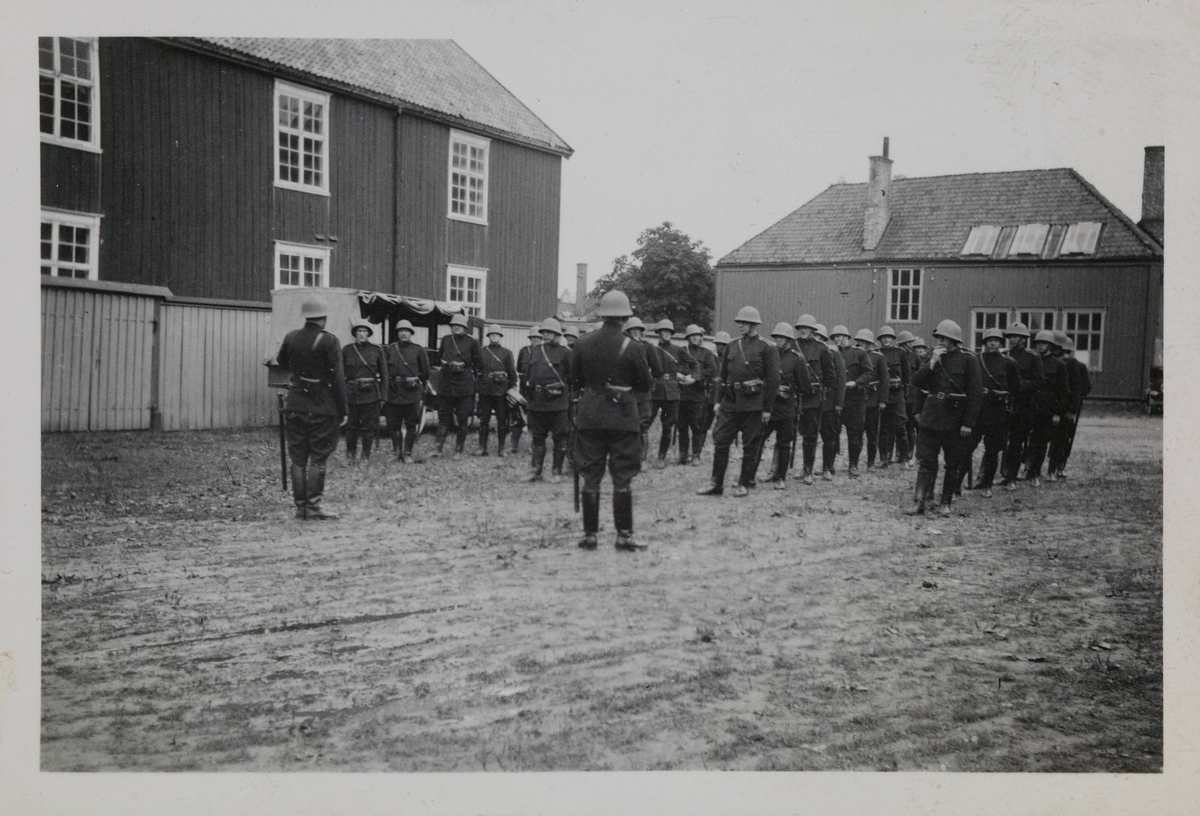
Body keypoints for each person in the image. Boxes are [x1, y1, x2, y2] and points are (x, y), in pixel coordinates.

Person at [569, 290, 654, 551]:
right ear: (625, 316)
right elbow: (645, 384)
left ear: (602, 314)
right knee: (622, 479)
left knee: (591, 477)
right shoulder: (635, 347)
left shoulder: (582, 344)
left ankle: (590, 536)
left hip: (590, 417)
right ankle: (624, 536)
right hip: (623, 418)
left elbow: (573, 381)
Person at [276, 295, 347, 520]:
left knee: (298, 458)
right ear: (323, 318)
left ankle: (300, 507)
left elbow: (282, 362)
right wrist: (343, 409)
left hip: (295, 403)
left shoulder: (291, 337)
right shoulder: (329, 341)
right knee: (318, 457)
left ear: (305, 317)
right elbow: (338, 379)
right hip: (322, 407)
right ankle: (313, 506)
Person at [697, 306, 780, 498]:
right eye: (739, 322)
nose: (740, 325)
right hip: (730, 403)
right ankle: (716, 483)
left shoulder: (767, 348)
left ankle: (745, 483)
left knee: (750, 445)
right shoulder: (732, 346)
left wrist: (767, 408)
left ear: (753, 324)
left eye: (744, 322)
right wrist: (718, 401)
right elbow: (722, 376)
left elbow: (773, 381)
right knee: (720, 441)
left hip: (753, 404)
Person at [907, 319, 983, 516]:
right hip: (931, 417)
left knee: (953, 463)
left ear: (954, 340)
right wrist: (931, 363)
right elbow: (915, 382)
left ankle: (945, 503)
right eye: (938, 337)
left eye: (944, 338)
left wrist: (968, 423)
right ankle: (919, 502)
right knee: (926, 462)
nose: (940, 341)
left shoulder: (968, 360)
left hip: (954, 419)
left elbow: (975, 394)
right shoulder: (932, 357)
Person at [961, 327, 1020, 497]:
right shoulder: (976, 360)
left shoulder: (1008, 363)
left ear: (1001, 343)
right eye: (989, 340)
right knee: (966, 448)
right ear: (985, 343)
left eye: (996, 340)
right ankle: (957, 484)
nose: (993, 343)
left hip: (997, 413)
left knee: (992, 451)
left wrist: (1003, 394)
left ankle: (987, 485)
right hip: (978, 412)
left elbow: (1015, 389)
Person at [760, 322, 813, 488]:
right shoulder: (769, 354)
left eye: (782, 337)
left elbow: (805, 386)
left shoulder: (797, 359)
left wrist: (791, 391)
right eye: (776, 337)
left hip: (786, 408)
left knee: (784, 444)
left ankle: (780, 477)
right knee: (757, 439)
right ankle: (759, 474)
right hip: (769, 406)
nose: (778, 340)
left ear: (789, 339)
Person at [523, 318, 573, 481]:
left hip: (558, 403)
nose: (545, 334)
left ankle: (556, 472)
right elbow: (528, 376)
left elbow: (573, 378)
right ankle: (535, 471)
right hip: (537, 403)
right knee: (537, 437)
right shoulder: (535, 351)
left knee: (560, 438)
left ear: (557, 334)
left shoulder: (566, 353)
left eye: (549, 332)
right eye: (543, 332)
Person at [793, 314, 838, 485]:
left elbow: (830, 375)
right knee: (797, 432)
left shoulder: (821, 348)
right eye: (801, 327)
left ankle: (808, 470)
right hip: (795, 397)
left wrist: (821, 393)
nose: (803, 330)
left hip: (813, 398)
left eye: (807, 328)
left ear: (813, 330)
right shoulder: (792, 345)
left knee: (811, 435)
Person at [999, 322, 1043, 489]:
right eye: (1010, 337)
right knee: (1003, 441)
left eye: (1016, 337)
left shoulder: (1033, 357)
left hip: (1023, 404)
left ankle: (1012, 477)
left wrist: (1019, 386)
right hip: (1004, 403)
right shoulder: (1003, 356)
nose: (1012, 340)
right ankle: (1004, 474)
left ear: (1024, 339)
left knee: (1017, 441)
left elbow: (1039, 381)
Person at [649, 319, 698, 467]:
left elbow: (694, 364)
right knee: (645, 424)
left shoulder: (678, 350)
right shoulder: (652, 349)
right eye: (664, 331)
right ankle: (640, 459)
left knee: (667, 425)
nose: (667, 334)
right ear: (658, 333)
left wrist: (692, 378)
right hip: (655, 390)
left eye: (669, 331)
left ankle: (661, 458)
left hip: (672, 392)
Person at [1022, 329, 1067, 487]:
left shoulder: (1059, 365)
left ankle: (1035, 473)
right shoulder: (1030, 361)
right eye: (1038, 343)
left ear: (1051, 346)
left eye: (1044, 343)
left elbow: (1062, 392)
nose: (1041, 346)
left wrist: (1057, 413)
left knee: (1041, 442)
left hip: (1046, 409)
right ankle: (1025, 469)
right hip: (1029, 406)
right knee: (1026, 440)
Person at [434, 313, 483, 457]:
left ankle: (458, 450)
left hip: (464, 386)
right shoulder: (446, 340)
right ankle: (437, 449)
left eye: (459, 325)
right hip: (446, 384)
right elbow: (440, 357)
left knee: (462, 418)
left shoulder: (472, 342)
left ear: (465, 327)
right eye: (454, 325)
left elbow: (479, 363)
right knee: (443, 417)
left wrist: (465, 368)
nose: (456, 327)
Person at [383, 319, 430, 463]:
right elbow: (385, 370)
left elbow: (425, 372)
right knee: (393, 424)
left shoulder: (418, 350)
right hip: (393, 391)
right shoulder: (390, 349)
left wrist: (414, 382)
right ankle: (396, 452)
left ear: (411, 333)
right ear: (397, 333)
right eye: (400, 331)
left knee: (411, 423)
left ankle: (408, 453)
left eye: (406, 331)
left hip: (411, 392)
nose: (403, 333)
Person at [341, 319, 388, 462]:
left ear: (368, 333)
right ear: (355, 333)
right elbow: (340, 373)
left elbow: (385, 375)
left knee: (368, 427)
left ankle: (365, 456)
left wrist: (383, 397)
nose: (361, 334)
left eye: (364, 331)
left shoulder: (377, 350)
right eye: (359, 331)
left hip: (370, 395)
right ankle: (350, 455)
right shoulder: (347, 350)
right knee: (351, 426)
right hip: (352, 394)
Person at [832, 325, 874, 478]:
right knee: (832, 433)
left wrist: (856, 383)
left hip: (855, 400)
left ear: (847, 337)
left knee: (854, 434)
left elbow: (869, 373)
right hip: (837, 400)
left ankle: (853, 465)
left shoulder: (860, 354)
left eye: (839, 336)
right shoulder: (832, 354)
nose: (836, 339)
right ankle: (829, 466)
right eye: (834, 337)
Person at [623, 316, 662, 461]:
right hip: (627, 392)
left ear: (641, 331)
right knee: (626, 425)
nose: (634, 332)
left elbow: (658, 369)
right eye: (631, 330)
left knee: (643, 425)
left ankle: (642, 460)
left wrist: (648, 380)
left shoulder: (648, 347)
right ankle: (627, 456)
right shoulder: (623, 347)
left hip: (643, 393)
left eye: (637, 330)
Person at [679, 324, 718, 465]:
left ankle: (696, 455)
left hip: (698, 395)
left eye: (699, 335)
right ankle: (683, 455)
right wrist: (682, 376)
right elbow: (675, 366)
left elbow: (711, 371)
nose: (697, 338)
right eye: (694, 335)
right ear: (688, 337)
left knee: (697, 426)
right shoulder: (681, 351)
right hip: (682, 394)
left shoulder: (707, 354)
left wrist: (695, 377)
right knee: (681, 426)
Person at [1053, 334, 1092, 478]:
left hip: (1068, 408)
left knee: (1064, 438)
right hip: (1053, 406)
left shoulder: (1078, 365)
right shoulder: (1049, 362)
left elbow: (1085, 387)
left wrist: (1072, 405)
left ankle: (1060, 466)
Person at [1044, 330, 1080, 483]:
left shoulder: (1072, 364)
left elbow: (1079, 389)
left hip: (1064, 409)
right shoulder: (1046, 361)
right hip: (1047, 407)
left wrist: (1072, 410)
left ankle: (1054, 468)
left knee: (1060, 441)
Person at [476, 325, 517, 457]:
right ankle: (482, 448)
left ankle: (501, 449)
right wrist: (479, 387)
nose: (494, 336)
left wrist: (510, 389)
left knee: (502, 421)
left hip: (501, 392)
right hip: (485, 391)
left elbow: (512, 373)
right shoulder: (482, 351)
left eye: (496, 334)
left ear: (500, 336)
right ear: (488, 336)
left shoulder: (507, 353)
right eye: (491, 334)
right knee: (484, 421)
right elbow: (477, 370)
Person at [876, 325, 911, 469]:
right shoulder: (876, 353)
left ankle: (905, 458)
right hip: (882, 394)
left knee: (900, 426)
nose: (886, 339)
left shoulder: (900, 353)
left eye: (888, 337)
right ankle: (884, 458)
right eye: (883, 337)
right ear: (880, 339)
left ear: (893, 338)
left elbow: (907, 375)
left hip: (897, 395)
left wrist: (905, 394)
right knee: (883, 427)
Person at [814, 323, 846, 479]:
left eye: (819, 338)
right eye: (814, 337)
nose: (816, 340)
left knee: (829, 435)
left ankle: (828, 467)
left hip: (829, 401)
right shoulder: (807, 353)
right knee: (811, 435)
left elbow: (841, 380)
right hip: (812, 401)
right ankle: (808, 468)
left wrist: (839, 403)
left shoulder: (833, 354)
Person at [856, 329, 890, 470]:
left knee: (872, 433)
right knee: (857, 433)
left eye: (865, 342)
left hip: (873, 400)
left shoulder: (878, 357)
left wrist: (882, 400)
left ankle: (870, 463)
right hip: (858, 399)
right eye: (860, 342)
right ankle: (855, 463)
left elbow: (885, 379)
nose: (862, 344)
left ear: (871, 343)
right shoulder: (856, 355)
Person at [511, 325, 544, 454]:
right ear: (530, 338)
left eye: (538, 337)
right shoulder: (524, 351)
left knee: (536, 419)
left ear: (541, 339)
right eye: (533, 337)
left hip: (538, 391)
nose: (535, 340)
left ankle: (533, 446)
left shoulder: (544, 352)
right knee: (518, 416)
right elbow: (519, 369)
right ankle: (513, 445)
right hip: (524, 390)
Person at [897, 330, 921, 467]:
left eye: (911, 342)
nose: (910, 345)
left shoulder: (915, 357)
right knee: (901, 425)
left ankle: (910, 453)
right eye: (907, 343)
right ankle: (901, 453)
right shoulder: (898, 355)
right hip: (900, 395)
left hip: (912, 396)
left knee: (911, 426)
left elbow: (919, 377)